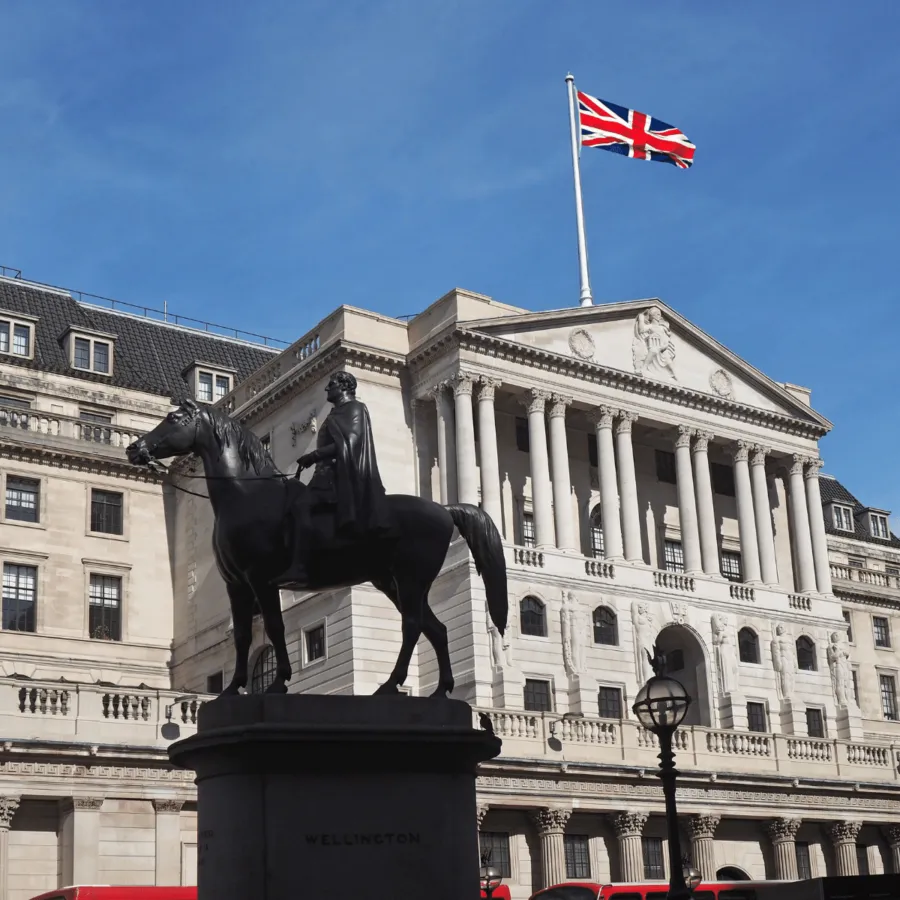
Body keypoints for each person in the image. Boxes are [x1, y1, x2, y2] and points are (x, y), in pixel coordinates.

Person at [276, 371, 391, 586]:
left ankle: (300, 566)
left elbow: (352, 441)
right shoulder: (335, 413)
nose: (327, 388)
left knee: (300, 507)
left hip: (338, 478)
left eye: (332, 384)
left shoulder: (355, 408)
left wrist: (314, 455)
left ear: (345, 386)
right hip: (323, 476)